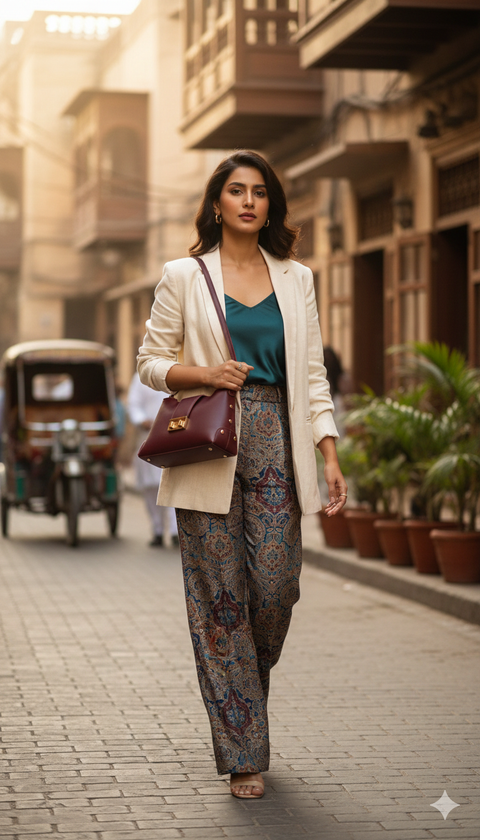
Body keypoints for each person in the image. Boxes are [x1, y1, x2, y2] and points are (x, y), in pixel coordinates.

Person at [137, 150, 347, 798]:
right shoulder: (184, 274)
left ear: (270, 205)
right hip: (210, 448)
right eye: (237, 190)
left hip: (276, 441)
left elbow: (312, 375)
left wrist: (329, 449)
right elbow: (150, 362)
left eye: (260, 191)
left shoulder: (297, 278)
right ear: (218, 203)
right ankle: (243, 751)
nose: (250, 201)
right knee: (219, 601)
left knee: (276, 585)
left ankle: (239, 688)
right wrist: (203, 373)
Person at [127, 372, 178, 547]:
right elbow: (133, 404)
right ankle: (157, 530)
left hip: (173, 437)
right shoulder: (141, 376)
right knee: (150, 489)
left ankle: (174, 532)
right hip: (148, 436)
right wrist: (143, 421)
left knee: (173, 487)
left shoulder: (179, 370)